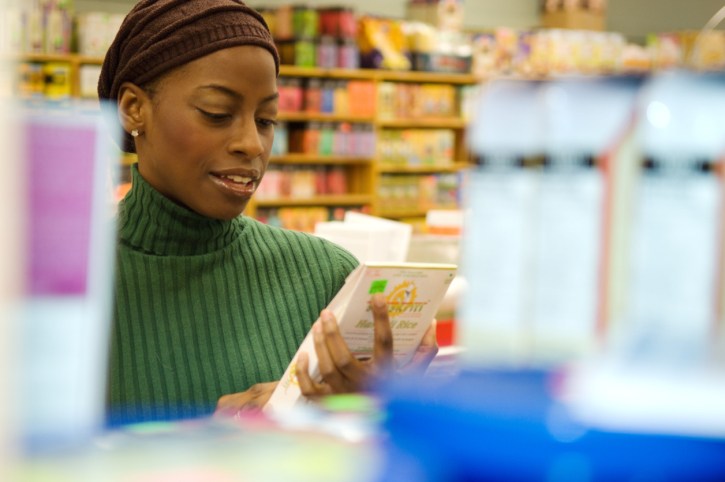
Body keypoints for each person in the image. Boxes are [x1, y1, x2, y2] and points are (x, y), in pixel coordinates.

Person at [98, 0, 439, 426]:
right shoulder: (61, 285)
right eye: (217, 114)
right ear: (134, 108)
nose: (253, 144)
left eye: (266, 119)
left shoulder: (328, 277)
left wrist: (379, 407)